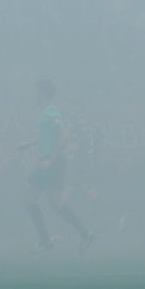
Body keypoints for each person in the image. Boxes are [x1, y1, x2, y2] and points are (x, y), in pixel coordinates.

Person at [18, 80, 95, 254]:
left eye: (37, 92)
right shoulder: (49, 112)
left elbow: (64, 136)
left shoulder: (50, 112)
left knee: (28, 199)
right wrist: (28, 144)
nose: (35, 95)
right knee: (57, 205)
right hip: (54, 163)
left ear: (42, 93)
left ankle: (45, 241)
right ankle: (86, 234)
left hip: (51, 163)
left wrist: (50, 159)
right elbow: (49, 137)